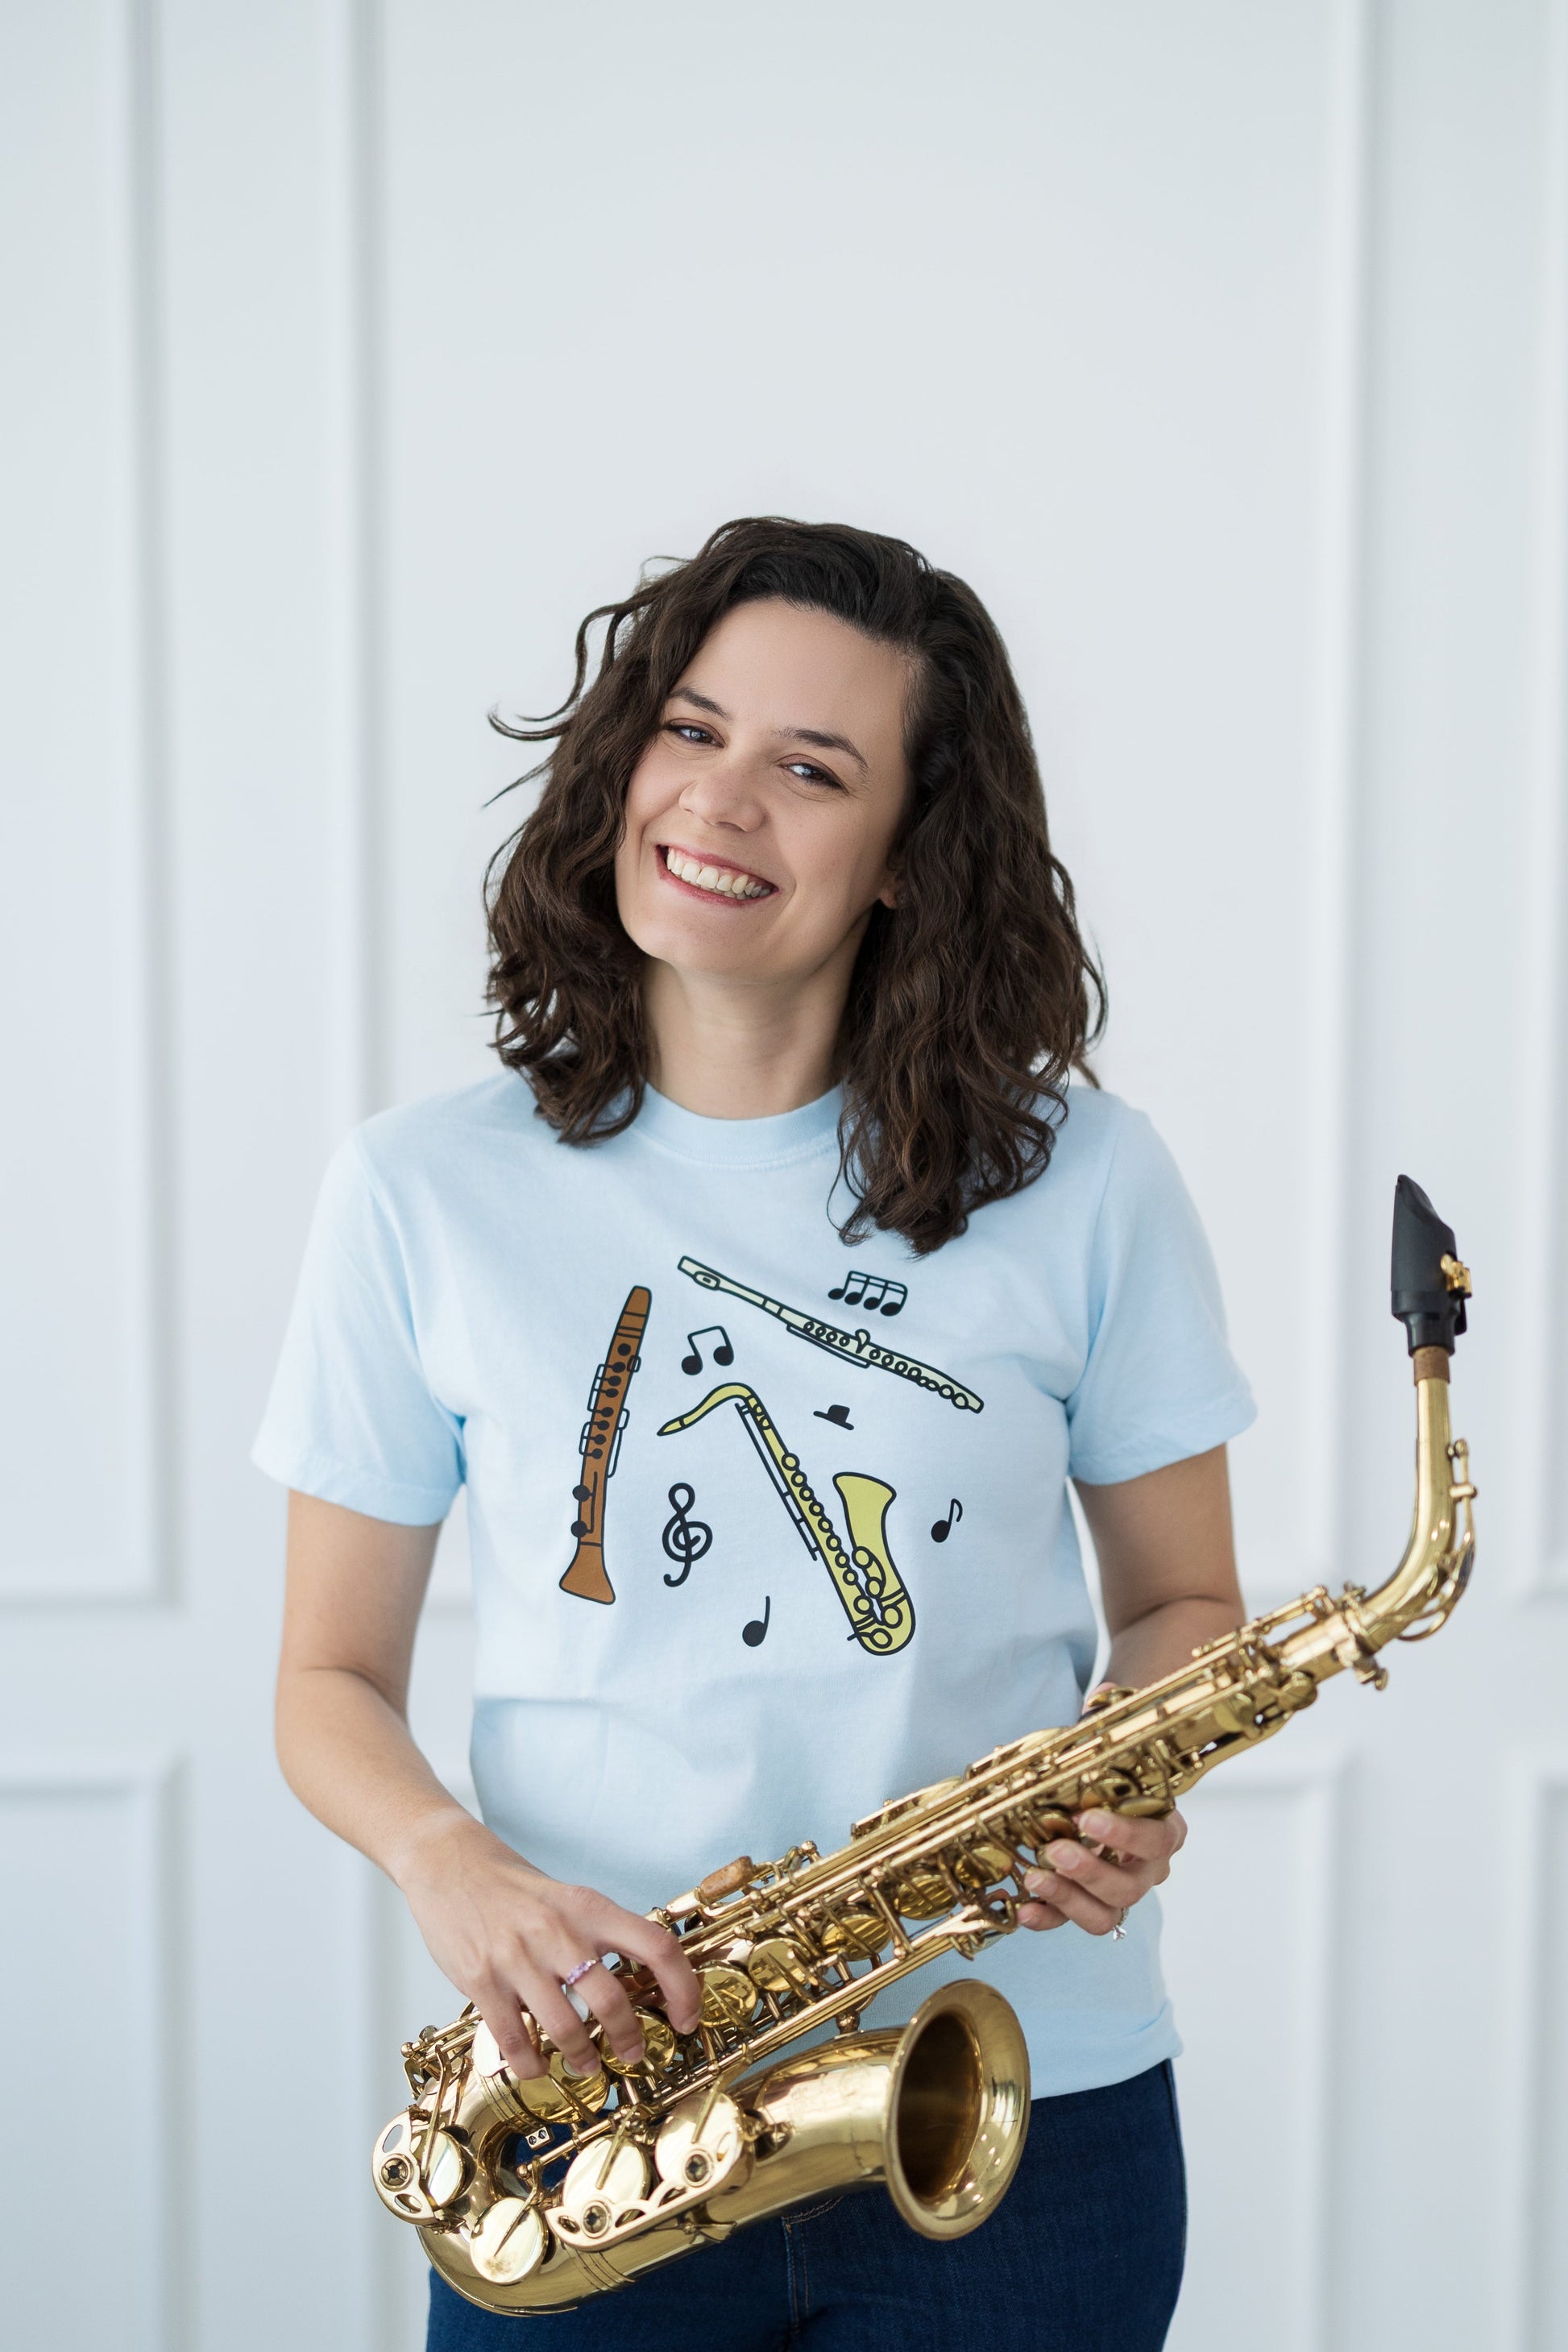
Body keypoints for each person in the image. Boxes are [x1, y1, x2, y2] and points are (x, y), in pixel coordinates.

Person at [256, 516, 1254, 2351]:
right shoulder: (420, 1188)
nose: (719, 804)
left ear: (904, 854)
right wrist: (451, 1865)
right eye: (690, 730)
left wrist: (1137, 1772)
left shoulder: (1089, 1181)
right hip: (590, 2105)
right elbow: (324, 1672)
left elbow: (1188, 1600)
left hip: (1020, 2103)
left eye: (811, 767)